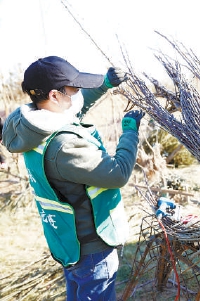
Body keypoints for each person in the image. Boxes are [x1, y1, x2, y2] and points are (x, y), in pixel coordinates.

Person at [1, 56, 145, 301]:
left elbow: (75, 109)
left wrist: (104, 84)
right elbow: (118, 173)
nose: (78, 94)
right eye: (73, 89)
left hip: (71, 242)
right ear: (55, 96)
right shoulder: (64, 145)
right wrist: (129, 132)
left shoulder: (35, 127)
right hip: (93, 249)